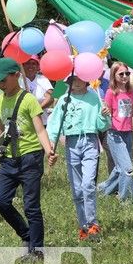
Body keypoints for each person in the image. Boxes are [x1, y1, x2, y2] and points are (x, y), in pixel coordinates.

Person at [0, 58, 57, 260]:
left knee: (31, 206)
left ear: (16, 75)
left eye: (3, 79)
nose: (0, 84)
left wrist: (49, 151)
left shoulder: (28, 100)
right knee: (0, 201)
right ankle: (26, 234)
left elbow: (40, 129)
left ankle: (37, 250)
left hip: (30, 158)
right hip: (8, 160)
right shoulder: (0, 101)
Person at [47, 74, 111, 241]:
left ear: (86, 79)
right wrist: (51, 146)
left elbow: (101, 125)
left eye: (77, 79)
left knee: (88, 184)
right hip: (71, 143)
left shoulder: (94, 97)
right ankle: (83, 226)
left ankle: (92, 224)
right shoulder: (63, 99)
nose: (74, 83)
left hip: (90, 142)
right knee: (76, 189)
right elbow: (54, 124)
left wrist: (103, 115)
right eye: (70, 80)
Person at [99, 62, 133, 202]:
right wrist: (105, 111)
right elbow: (107, 110)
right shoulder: (111, 93)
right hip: (115, 134)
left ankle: (102, 190)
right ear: (114, 76)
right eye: (120, 74)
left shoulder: (131, 93)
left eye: (127, 73)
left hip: (129, 133)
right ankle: (125, 198)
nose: (124, 76)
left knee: (119, 169)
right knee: (127, 168)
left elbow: (129, 112)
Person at [20, 55, 54, 125]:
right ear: (22, 65)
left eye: (33, 63)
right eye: (27, 63)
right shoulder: (18, 79)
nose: (30, 66)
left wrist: (37, 110)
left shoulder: (43, 79)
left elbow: (51, 97)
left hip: (42, 121)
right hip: (23, 122)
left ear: (38, 67)